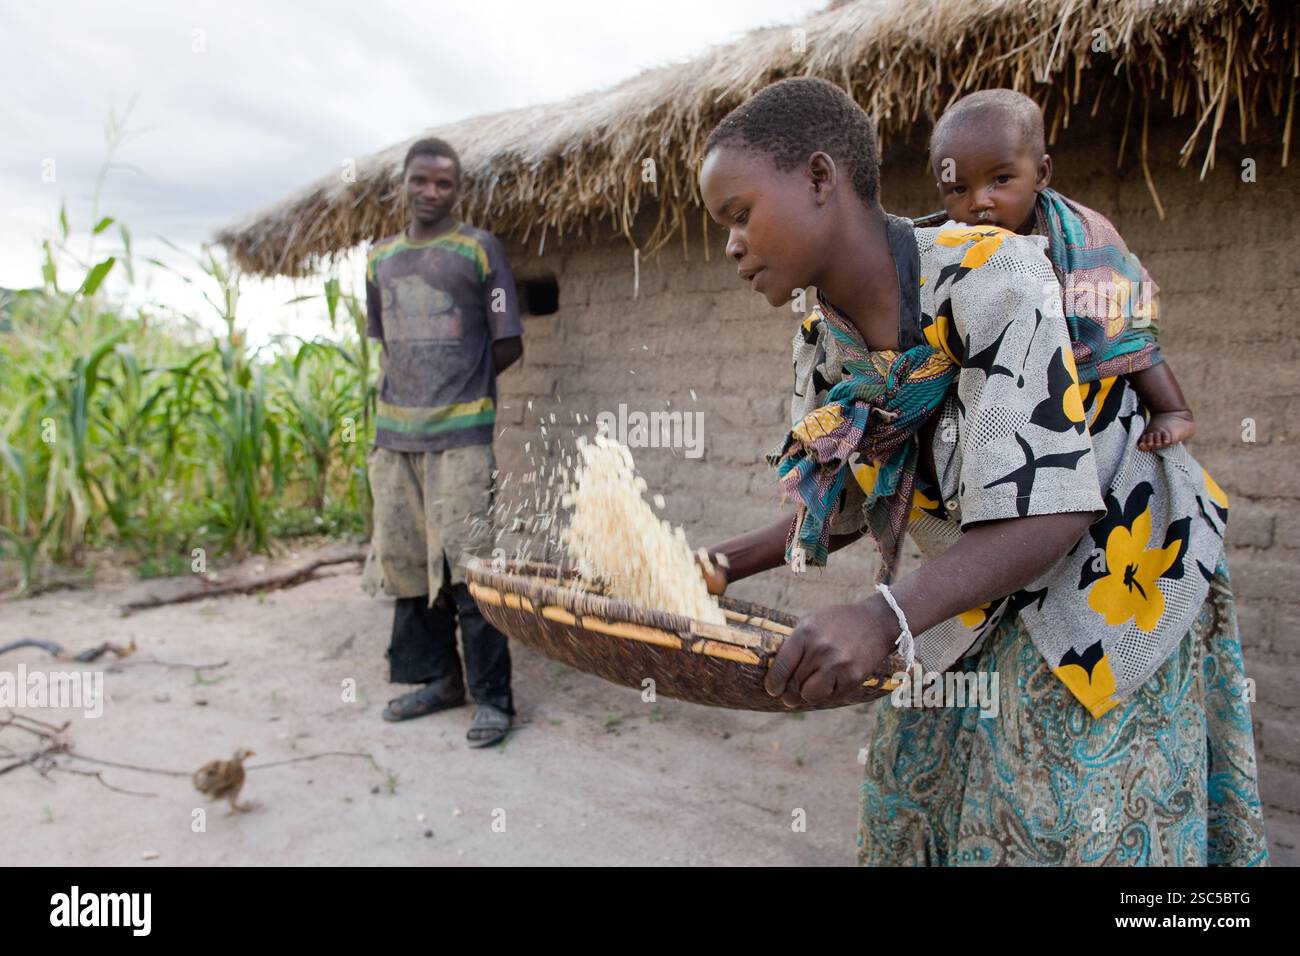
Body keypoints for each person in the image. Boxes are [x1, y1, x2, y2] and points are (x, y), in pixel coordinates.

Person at [696, 78, 1268, 865]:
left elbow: (1058, 510)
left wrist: (882, 616)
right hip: (980, 585)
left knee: (1065, 824)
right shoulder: (824, 340)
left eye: (738, 215)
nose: (729, 244)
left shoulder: (992, 275)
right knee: (908, 804)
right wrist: (720, 566)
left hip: (1114, 571)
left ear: (821, 180)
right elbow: (844, 497)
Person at [360, 137, 523, 749]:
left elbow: (507, 341)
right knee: (408, 569)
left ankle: (494, 698)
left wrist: (462, 395)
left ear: (458, 190)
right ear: (401, 184)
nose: (431, 192)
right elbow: (388, 343)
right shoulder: (380, 260)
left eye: (444, 183)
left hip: (461, 438)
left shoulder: (480, 251)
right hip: (395, 440)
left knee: (471, 571)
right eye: (421, 180)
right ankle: (440, 681)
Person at [920, 88, 1194, 452]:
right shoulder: (953, 244)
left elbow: (1107, 305)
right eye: (958, 188)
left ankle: (1174, 410)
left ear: (1041, 173)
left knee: (1130, 341)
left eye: (1000, 180)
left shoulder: (1081, 238)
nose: (980, 201)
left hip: (1109, 311)